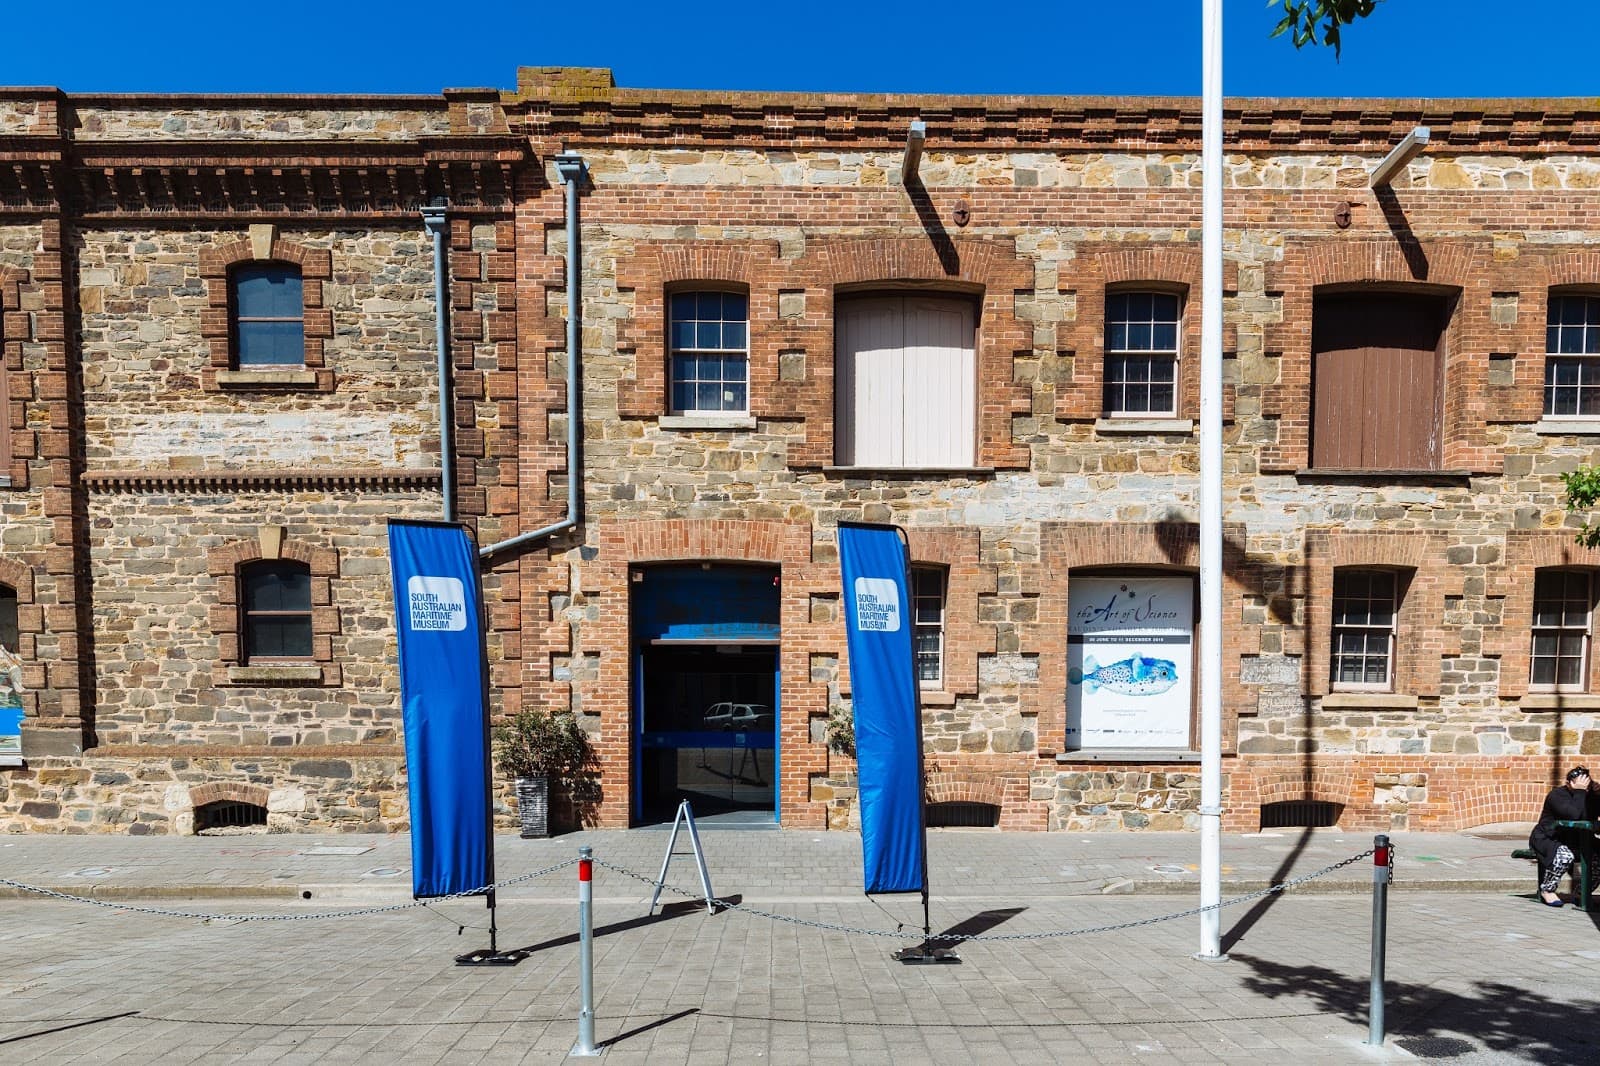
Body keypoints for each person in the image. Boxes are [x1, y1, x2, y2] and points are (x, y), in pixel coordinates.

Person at [1530, 766, 1600, 907]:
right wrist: (1580, 791)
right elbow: (1573, 815)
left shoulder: (1589, 795)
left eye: (1586, 782)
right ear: (1568, 783)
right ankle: (1547, 890)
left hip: (1578, 839)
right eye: (1579, 782)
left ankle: (1581, 892)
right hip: (1549, 838)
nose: (1584, 786)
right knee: (1565, 856)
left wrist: (1597, 795)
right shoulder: (1557, 795)